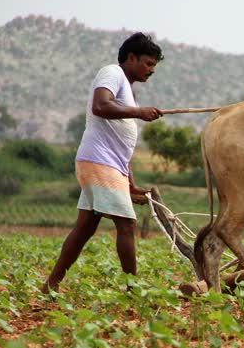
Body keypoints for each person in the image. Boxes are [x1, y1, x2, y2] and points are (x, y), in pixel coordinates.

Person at [42, 32, 164, 293]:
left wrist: (129, 183)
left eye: (154, 66)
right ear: (130, 58)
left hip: (107, 163)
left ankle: (50, 285)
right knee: (127, 225)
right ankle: (132, 291)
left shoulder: (128, 90)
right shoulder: (112, 73)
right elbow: (100, 106)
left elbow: (120, 142)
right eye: (147, 63)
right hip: (99, 162)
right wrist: (139, 113)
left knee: (85, 229)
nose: (151, 70)